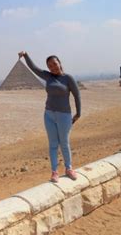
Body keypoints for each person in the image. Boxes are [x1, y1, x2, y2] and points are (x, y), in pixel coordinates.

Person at [18, 51, 81, 183]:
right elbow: (34, 68)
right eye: (49, 66)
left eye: (54, 64)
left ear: (59, 63)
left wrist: (78, 113)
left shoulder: (68, 78)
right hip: (49, 114)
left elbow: (77, 95)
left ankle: (69, 169)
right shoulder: (48, 76)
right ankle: (54, 172)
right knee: (53, 144)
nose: (52, 67)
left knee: (64, 142)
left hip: (64, 115)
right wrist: (26, 55)